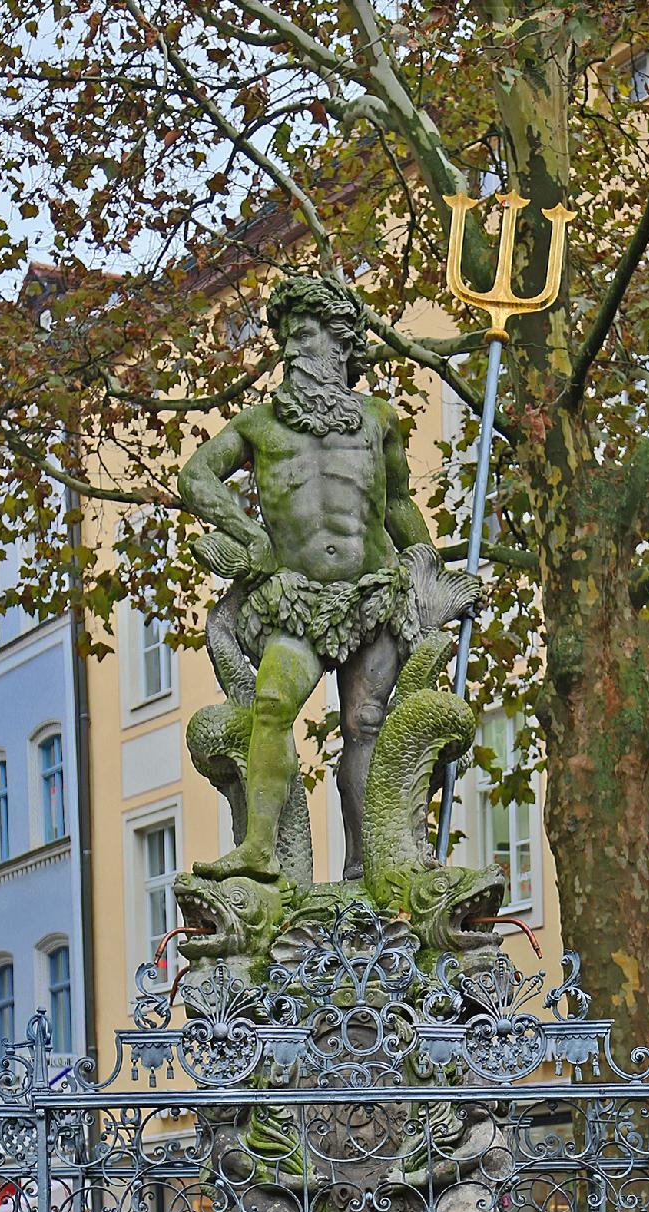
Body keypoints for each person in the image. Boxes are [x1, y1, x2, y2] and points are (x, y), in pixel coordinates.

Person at [178, 275, 434, 883]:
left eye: (305, 336)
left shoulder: (377, 420)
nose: (291, 352)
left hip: (373, 596)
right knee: (271, 703)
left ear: (340, 343)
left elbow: (398, 505)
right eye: (287, 339)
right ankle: (260, 848)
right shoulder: (260, 425)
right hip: (294, 599)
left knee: (364, 726)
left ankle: (368, 865)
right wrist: (251, 537)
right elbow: (196, 477)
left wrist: (428, 569)